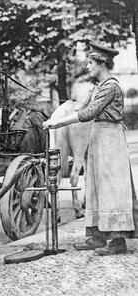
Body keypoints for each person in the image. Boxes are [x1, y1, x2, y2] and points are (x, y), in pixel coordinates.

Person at [43, 42, 138, 255]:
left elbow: (87, 114)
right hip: (98, 138)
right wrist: (58, 117)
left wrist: (57, 124)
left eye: (90, 62)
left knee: (111, 188)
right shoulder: (97, 87)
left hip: (110, 140)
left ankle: (117, 241)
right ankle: (96, 236)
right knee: (94, 186)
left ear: (102, 63)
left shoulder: (111, 86)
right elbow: (81, 108)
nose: (87, 66)